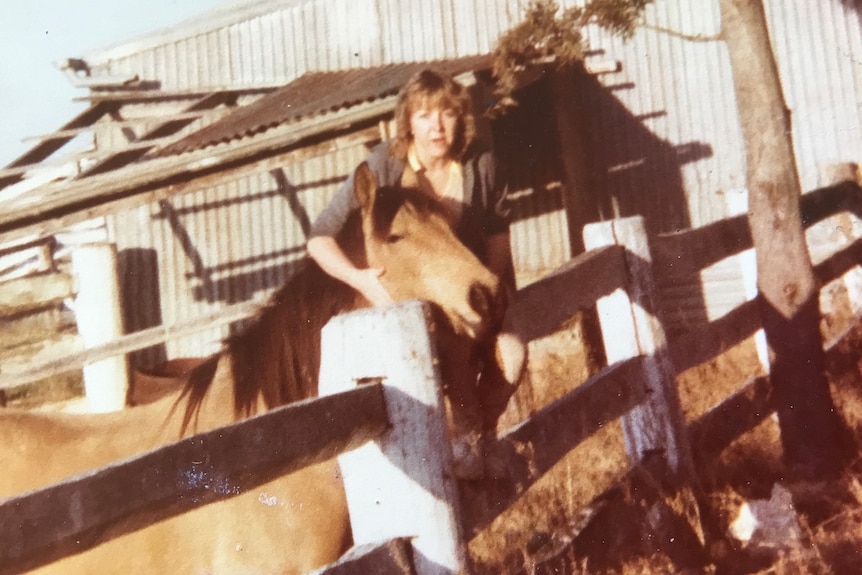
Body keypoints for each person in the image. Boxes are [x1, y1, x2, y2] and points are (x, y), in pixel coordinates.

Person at [307, 69, 526, 477]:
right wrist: (361, 279)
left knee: (511, 356)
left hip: (468, 295)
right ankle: (455, 455)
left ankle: (477, 438)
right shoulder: (385, 166)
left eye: (447, 113)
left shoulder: (480, 166)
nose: (437, 126)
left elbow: (498, 235)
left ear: (462, 119)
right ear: (408, 122)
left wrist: (491, 293)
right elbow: (320, 238)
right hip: (417, 303)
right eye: (425, 115)